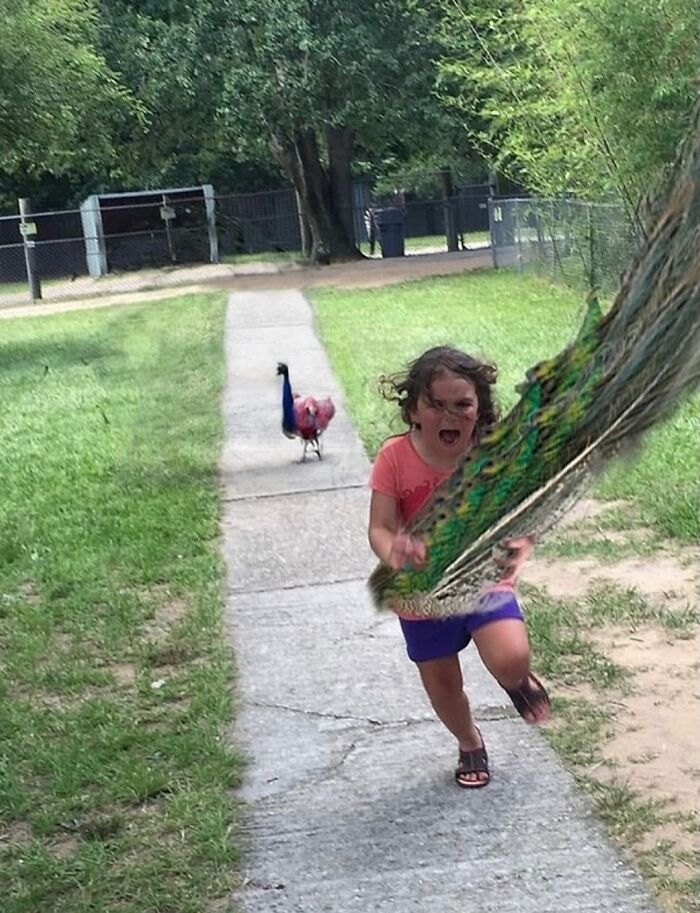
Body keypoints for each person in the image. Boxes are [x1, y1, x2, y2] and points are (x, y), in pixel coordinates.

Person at [368, 345, 550, 789]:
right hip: (421, 594)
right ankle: (469, 741)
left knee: (511, 658)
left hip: (482, 579)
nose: (449, 415)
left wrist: (519, 544)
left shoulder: (493, 457)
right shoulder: (394, 458)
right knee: (444, 684)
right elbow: (380, 527)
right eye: (436, 405)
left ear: (480, 410)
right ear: (413, 410)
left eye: (462, 405)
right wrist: (394, 551)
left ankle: (515, 680)